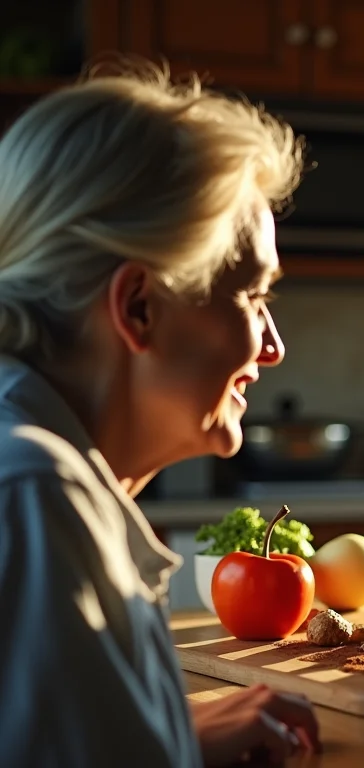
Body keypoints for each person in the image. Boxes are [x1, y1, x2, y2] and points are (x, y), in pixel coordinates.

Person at [0, 63, 321, 765]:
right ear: (138, 307)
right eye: (252, 298)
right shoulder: (34, 495)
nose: (272, 347)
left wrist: (170, 739)